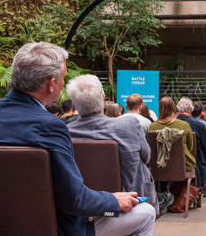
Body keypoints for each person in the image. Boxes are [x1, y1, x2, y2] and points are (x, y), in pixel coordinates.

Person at [0, 42, 155, 236]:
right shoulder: (50, 127)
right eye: (63, 77)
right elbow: (74, 200)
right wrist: (113, 200)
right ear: (51, 83)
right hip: (58, 228)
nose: (63, 82)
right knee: (146, 212)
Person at [67, 75, 158, 215]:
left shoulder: (66, 132)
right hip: (128, 203)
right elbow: (147, 157)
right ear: (103, 97)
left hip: (82, 206)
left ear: (73, 104)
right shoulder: (129, 125)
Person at [149, 97, 196, 172]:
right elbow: (190, 147)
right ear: (174, 108)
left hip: (159, 166)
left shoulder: (152, 126)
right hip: (183, 165)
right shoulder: (184, 125)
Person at [177, 97, 206, 190]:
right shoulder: (199, 126)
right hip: (193, 165)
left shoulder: (168, 124)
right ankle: (201, 188)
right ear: (190, 109)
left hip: (167, 167)